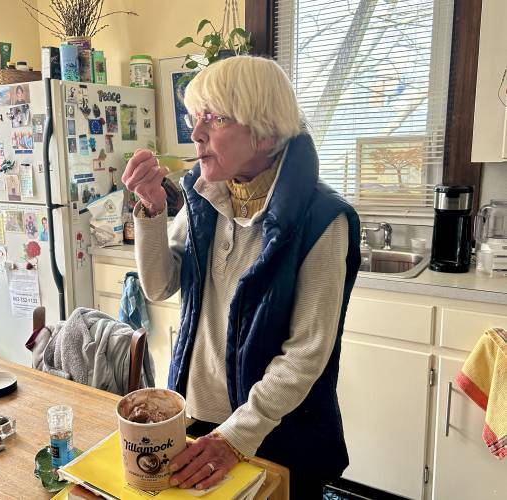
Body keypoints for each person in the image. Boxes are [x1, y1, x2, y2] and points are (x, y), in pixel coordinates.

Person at [122, 56, 360, 499]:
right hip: (198, 419)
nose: (195, 133)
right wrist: (152, 209)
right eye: (195, 119)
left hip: (271, 433)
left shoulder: (323, 219)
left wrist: (235, 436)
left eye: (213, 118)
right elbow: (158, 286)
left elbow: (307, 354)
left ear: (265, 131)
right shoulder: (204, 195)